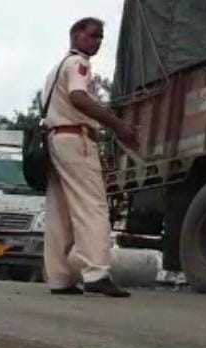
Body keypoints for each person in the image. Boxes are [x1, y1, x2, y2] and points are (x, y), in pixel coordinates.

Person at [43, 18, 137, 298]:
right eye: (93, 35)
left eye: (100, 37)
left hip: (55, 140)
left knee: (59, 213)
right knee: (92, 206)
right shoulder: (78, 64)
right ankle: (96, 272)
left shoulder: (55, 70)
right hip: (76, 139)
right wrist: (117, 125)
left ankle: (58, 277)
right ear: (76, 35)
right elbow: (78, 96)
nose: (97, 42)